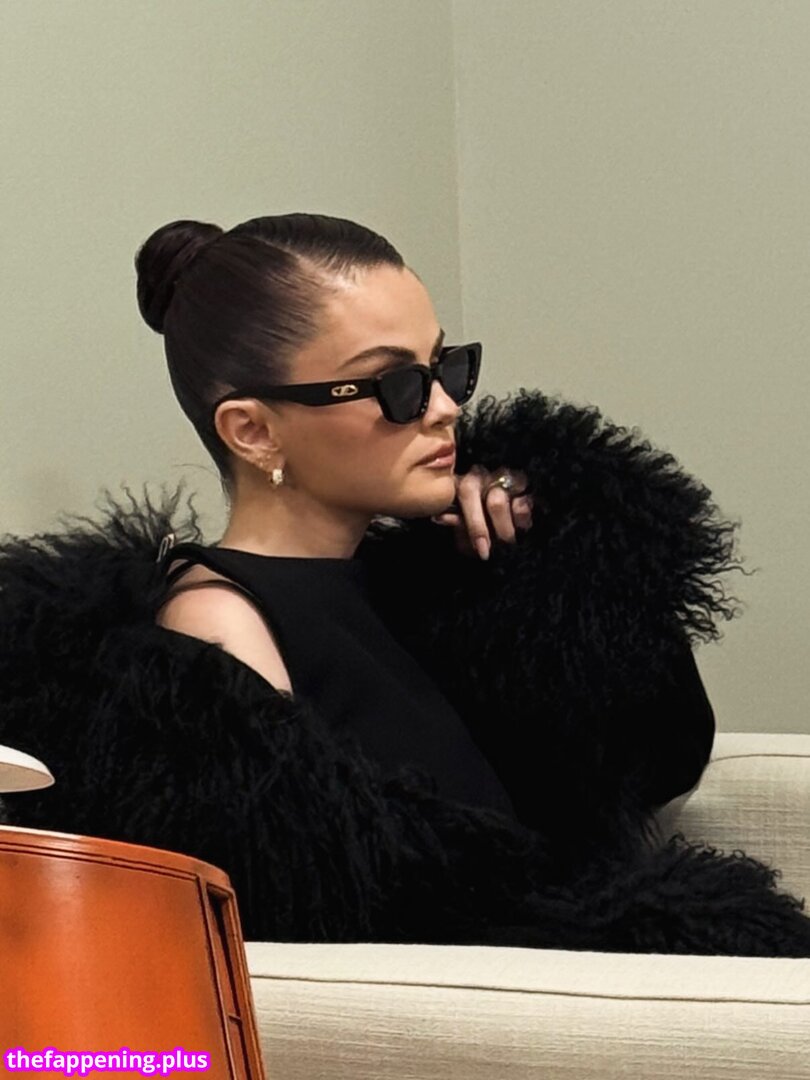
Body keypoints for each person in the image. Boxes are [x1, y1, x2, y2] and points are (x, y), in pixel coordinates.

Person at [0, 212, 808, 956]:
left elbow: (662, 761)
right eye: (396, 386)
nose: (445, 408)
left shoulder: (429, 579)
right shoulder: (218, 621)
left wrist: (553, 561)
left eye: (445, 366)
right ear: (253, 431)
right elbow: (317, 901)